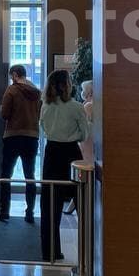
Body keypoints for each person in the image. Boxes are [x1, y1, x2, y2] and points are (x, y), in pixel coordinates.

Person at [39, 68, 90, 261]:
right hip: (71, 154)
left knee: (49, 204)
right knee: (82, 201)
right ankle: (89, 251)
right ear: (66, 85)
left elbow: (43, 128)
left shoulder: (45, 106)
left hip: (51, 153)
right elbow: (84, 134)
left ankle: (49, 251)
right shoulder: (76, 107)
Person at [0, 64, 42, 224]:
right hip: (31, 137)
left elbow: (4, 114)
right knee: (30, 175)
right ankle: (30, 212)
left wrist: (2, 108)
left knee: (6, 175)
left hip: (13, 136)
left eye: (11, 76)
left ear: (15, 75)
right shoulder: (36, 92)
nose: (11, 79)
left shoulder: (12, 90)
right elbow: (39, 113)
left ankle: (4, 211)